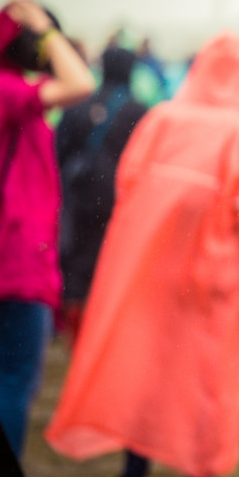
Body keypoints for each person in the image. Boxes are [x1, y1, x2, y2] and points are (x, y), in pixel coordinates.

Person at [44, 31, 239, 477]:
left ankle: (134, 470)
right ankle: (201, 474)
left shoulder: (161, 118)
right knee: (204, 387)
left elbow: (127, 187)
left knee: (150, 374)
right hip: (213, 289)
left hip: (150, 276)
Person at [0, 0, 95, 460]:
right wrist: (45, 28)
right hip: (13, 263)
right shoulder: (4, 91)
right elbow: (82, 83)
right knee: (11, 384)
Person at [55, 47, 149, 346]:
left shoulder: (78, 105)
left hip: (78, 200)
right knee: (109, 266)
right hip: (118, 203)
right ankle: (104, 335)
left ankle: (78, 336)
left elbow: (59, 151)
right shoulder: (138, 110)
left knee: (77, 268)